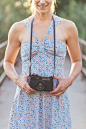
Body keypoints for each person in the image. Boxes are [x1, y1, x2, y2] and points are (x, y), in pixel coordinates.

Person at [3, 0, 82, 128]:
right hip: (27, 99)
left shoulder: (68, 26)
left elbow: (77, 61)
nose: (42, 1)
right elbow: (7, 62)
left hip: (56, 99)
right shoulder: (18, 28)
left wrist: (69, 80)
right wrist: (18, 80)